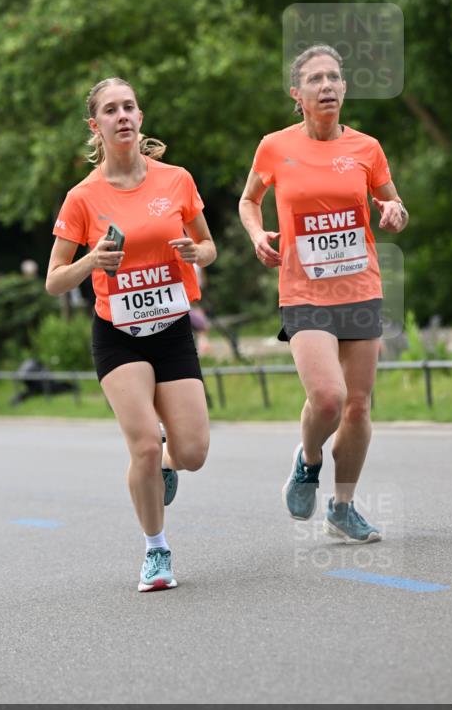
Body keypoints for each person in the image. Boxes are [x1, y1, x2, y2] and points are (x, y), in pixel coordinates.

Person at [46, 77, 216, 590]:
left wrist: (194, 252)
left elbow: (208, 247)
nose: (122, 116)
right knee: (141, 443)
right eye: (110, 110)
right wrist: (92, 260)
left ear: (140, 119)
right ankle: (156, 551)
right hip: (118, 332)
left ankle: (167, 461)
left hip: (171, 329)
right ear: (95, 126)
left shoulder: (176, 180)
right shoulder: (83, 197)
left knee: (192, 454)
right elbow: (54, 279)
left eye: (129, 107)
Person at [239, 44, 408, 543]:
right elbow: (250, 200)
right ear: (298, 94)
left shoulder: (366, 148)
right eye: (315, 79)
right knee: (329, 399)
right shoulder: (274, 146)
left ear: (345, 89)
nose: (327, 86)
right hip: (303, 291)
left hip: (360, 287)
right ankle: (309, 460)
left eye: (334, 77)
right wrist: (256, 234)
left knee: (358, 407)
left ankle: (343, 506)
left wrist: (395, 211)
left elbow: (391, 200)